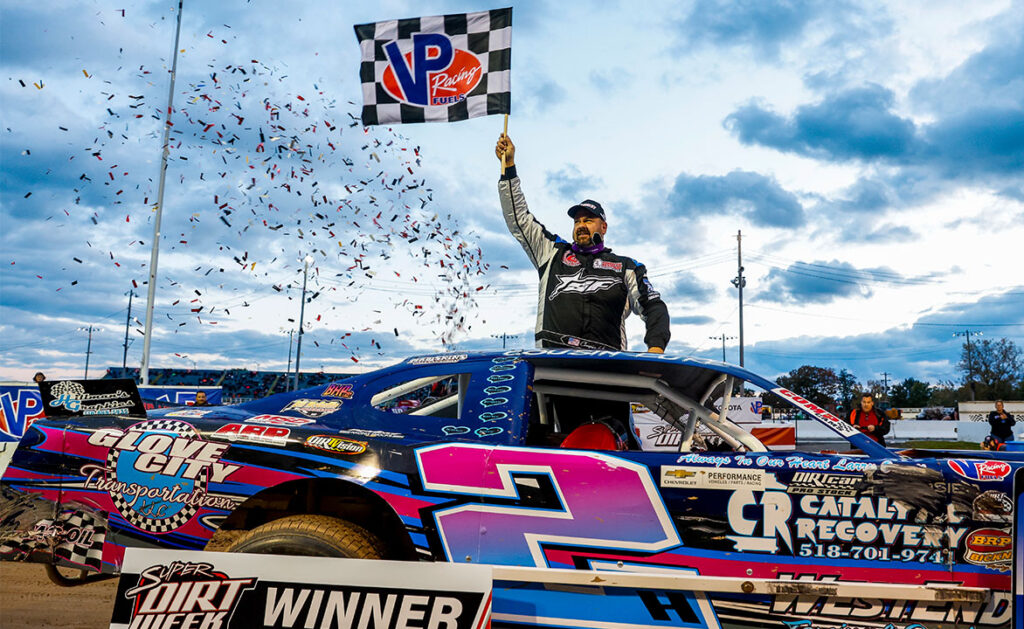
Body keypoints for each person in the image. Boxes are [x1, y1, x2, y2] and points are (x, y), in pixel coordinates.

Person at [495, 134, 670, 352]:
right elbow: (518, 217)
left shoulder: (626, 267)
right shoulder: (552, 253)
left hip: (606, 367)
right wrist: (508, 167)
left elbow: (653, 306)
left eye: (588, 219)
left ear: (603, 227)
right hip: (552, 363)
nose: (581, 225)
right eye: (577, 221)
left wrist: (656, 347)